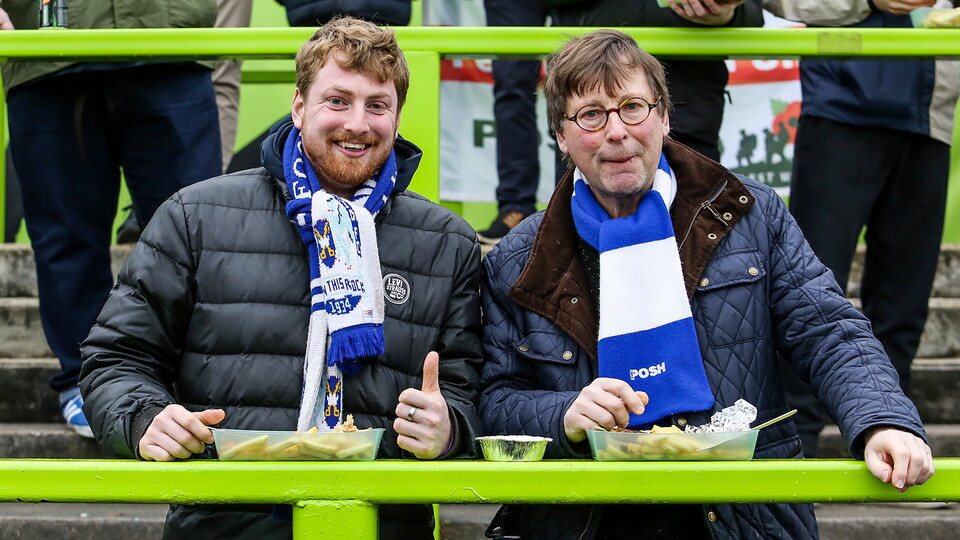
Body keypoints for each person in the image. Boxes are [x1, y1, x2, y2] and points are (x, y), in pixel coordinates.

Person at [478, 29, 934, 539]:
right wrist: (564, 414)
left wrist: (882, 420)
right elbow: (496, 399)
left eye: (633, 107)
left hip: (740, 517)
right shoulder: (518, 259)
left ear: (665, 116)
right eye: (591, 114)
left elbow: (829, 331)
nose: (617, 131)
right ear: (561, 136)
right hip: (588, 519)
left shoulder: (749, 215)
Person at [80, 17, 482, 539]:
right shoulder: (196, 215)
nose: (358, 124)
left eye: (377, 105)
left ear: (397, 118)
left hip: (386, 525)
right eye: (337, 100)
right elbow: (117, 358)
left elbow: (472, 394)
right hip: (224, 525)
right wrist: (143, 420)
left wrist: (450, 430)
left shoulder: (447, 241)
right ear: (298, 107)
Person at [0, 0, 223, 438]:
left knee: (199, 235)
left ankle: (200, 383)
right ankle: (85, 382)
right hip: (46, 47)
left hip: (168, 34)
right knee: (65, 236)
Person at [763, 0, 959, 456]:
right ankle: (798, 448)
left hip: (933, 118)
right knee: (805, 295)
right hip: (842, 108)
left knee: (904, 301)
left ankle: (900, 444)